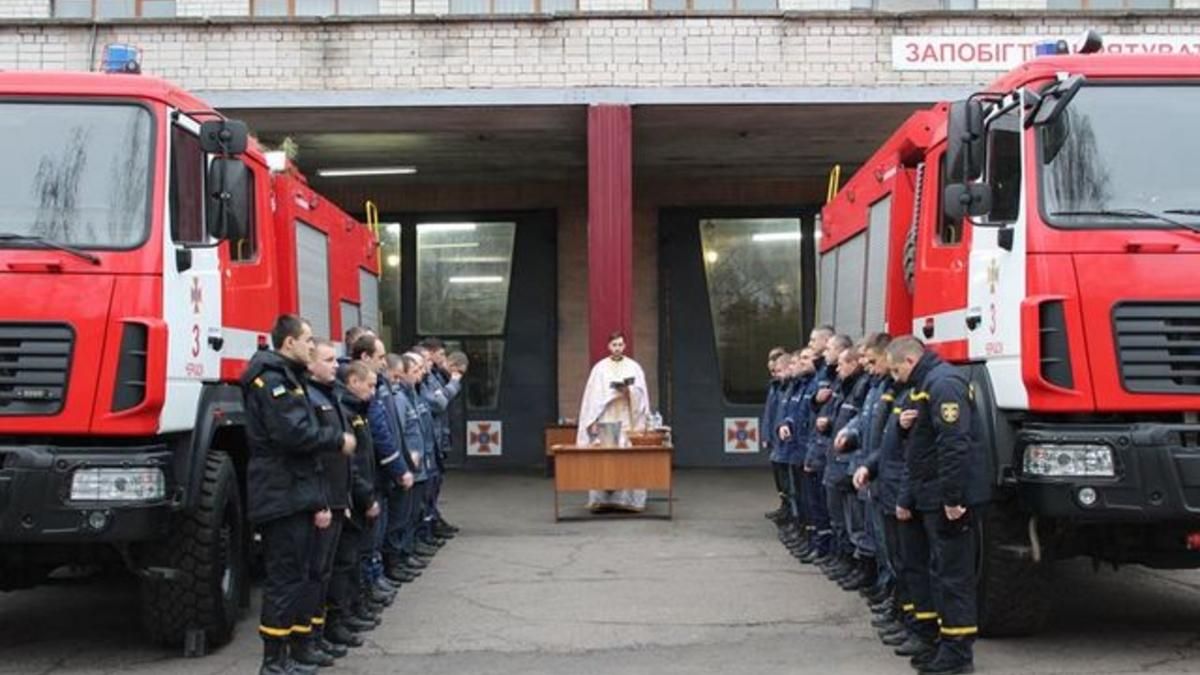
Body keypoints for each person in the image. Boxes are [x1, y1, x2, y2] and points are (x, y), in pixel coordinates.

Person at [241, 314, 354, 675]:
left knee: (300, 574)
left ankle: (292, 651)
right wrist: (337, 439)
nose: (312, 345)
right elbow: (294, 434)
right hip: (281, 491)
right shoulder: (272, 381)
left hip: (293, 489)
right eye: (307, 340)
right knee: (285, 578)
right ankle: (273, 662)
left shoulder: (288, 378)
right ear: (289, 343)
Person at [888, 336, 991, 675]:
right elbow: (921, 447)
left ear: (908, 361)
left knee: (953, 576)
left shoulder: (943, 384)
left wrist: (952, 498)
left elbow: (954, 445)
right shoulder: (925, 385)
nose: (893, 377)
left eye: (894, 369)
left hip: (944, 499)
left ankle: (958, 655)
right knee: (938, 572)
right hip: (929, 495)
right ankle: (942, 643)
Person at [327, 361, 384, 648]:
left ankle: (352, 609)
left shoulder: (356, 411)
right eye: (369, 385)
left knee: (353, 558)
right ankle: (340, 618)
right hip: (350, 496)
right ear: (352, 381)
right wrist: (365, 496)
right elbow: (353, 465)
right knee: (344, 562)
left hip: (357, 494)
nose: (373, 392)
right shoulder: (346, 411)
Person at [576, 331, 651, 512]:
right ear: (609, 346)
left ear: (624, 346)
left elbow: (641, 395)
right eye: (614, 345)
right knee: (605, 457)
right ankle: (602, 499)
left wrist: (629, 392)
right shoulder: (599, 369)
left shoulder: (634, 367)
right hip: (607, 417)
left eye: (620, 344)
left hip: (627, 418)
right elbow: (592, 398)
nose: (617, 348)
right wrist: (592, 419)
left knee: (628, 457)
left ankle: (629, 500)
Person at [762, 347, 790, 523]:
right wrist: (767, 435)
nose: (774, 374)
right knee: (780, 479)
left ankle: (790, 513)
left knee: (788, 481)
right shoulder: (775, 386)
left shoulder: (786, 388)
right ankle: (784, 507)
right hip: (775, 438)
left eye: (777, 370)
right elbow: (770, 413)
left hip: (785, 442)